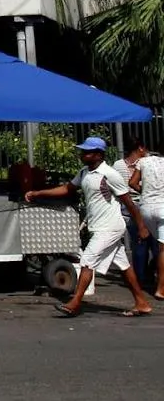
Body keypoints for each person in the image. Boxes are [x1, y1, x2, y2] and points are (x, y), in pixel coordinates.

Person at [27, 136, 153, 318]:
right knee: (124, 266)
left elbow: (129, 203)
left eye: (87, 152)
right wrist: (38, 193)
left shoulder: (109, 174)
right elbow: (67, 189)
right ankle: (141, 302)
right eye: (83, 151)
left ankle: (75, 303)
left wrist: (141, 227)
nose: (83, 154)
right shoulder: (84, 172)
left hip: (109, 227)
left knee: (87, 261)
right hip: (100, 226)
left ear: (99, 155)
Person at [126, 140, 164, 299]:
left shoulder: (144, 161)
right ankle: (161, 288)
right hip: (163, 208)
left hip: (146, 208)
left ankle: (151, 275)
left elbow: (132, 183)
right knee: (162, 249)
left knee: (157, 245)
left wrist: (146, 191)